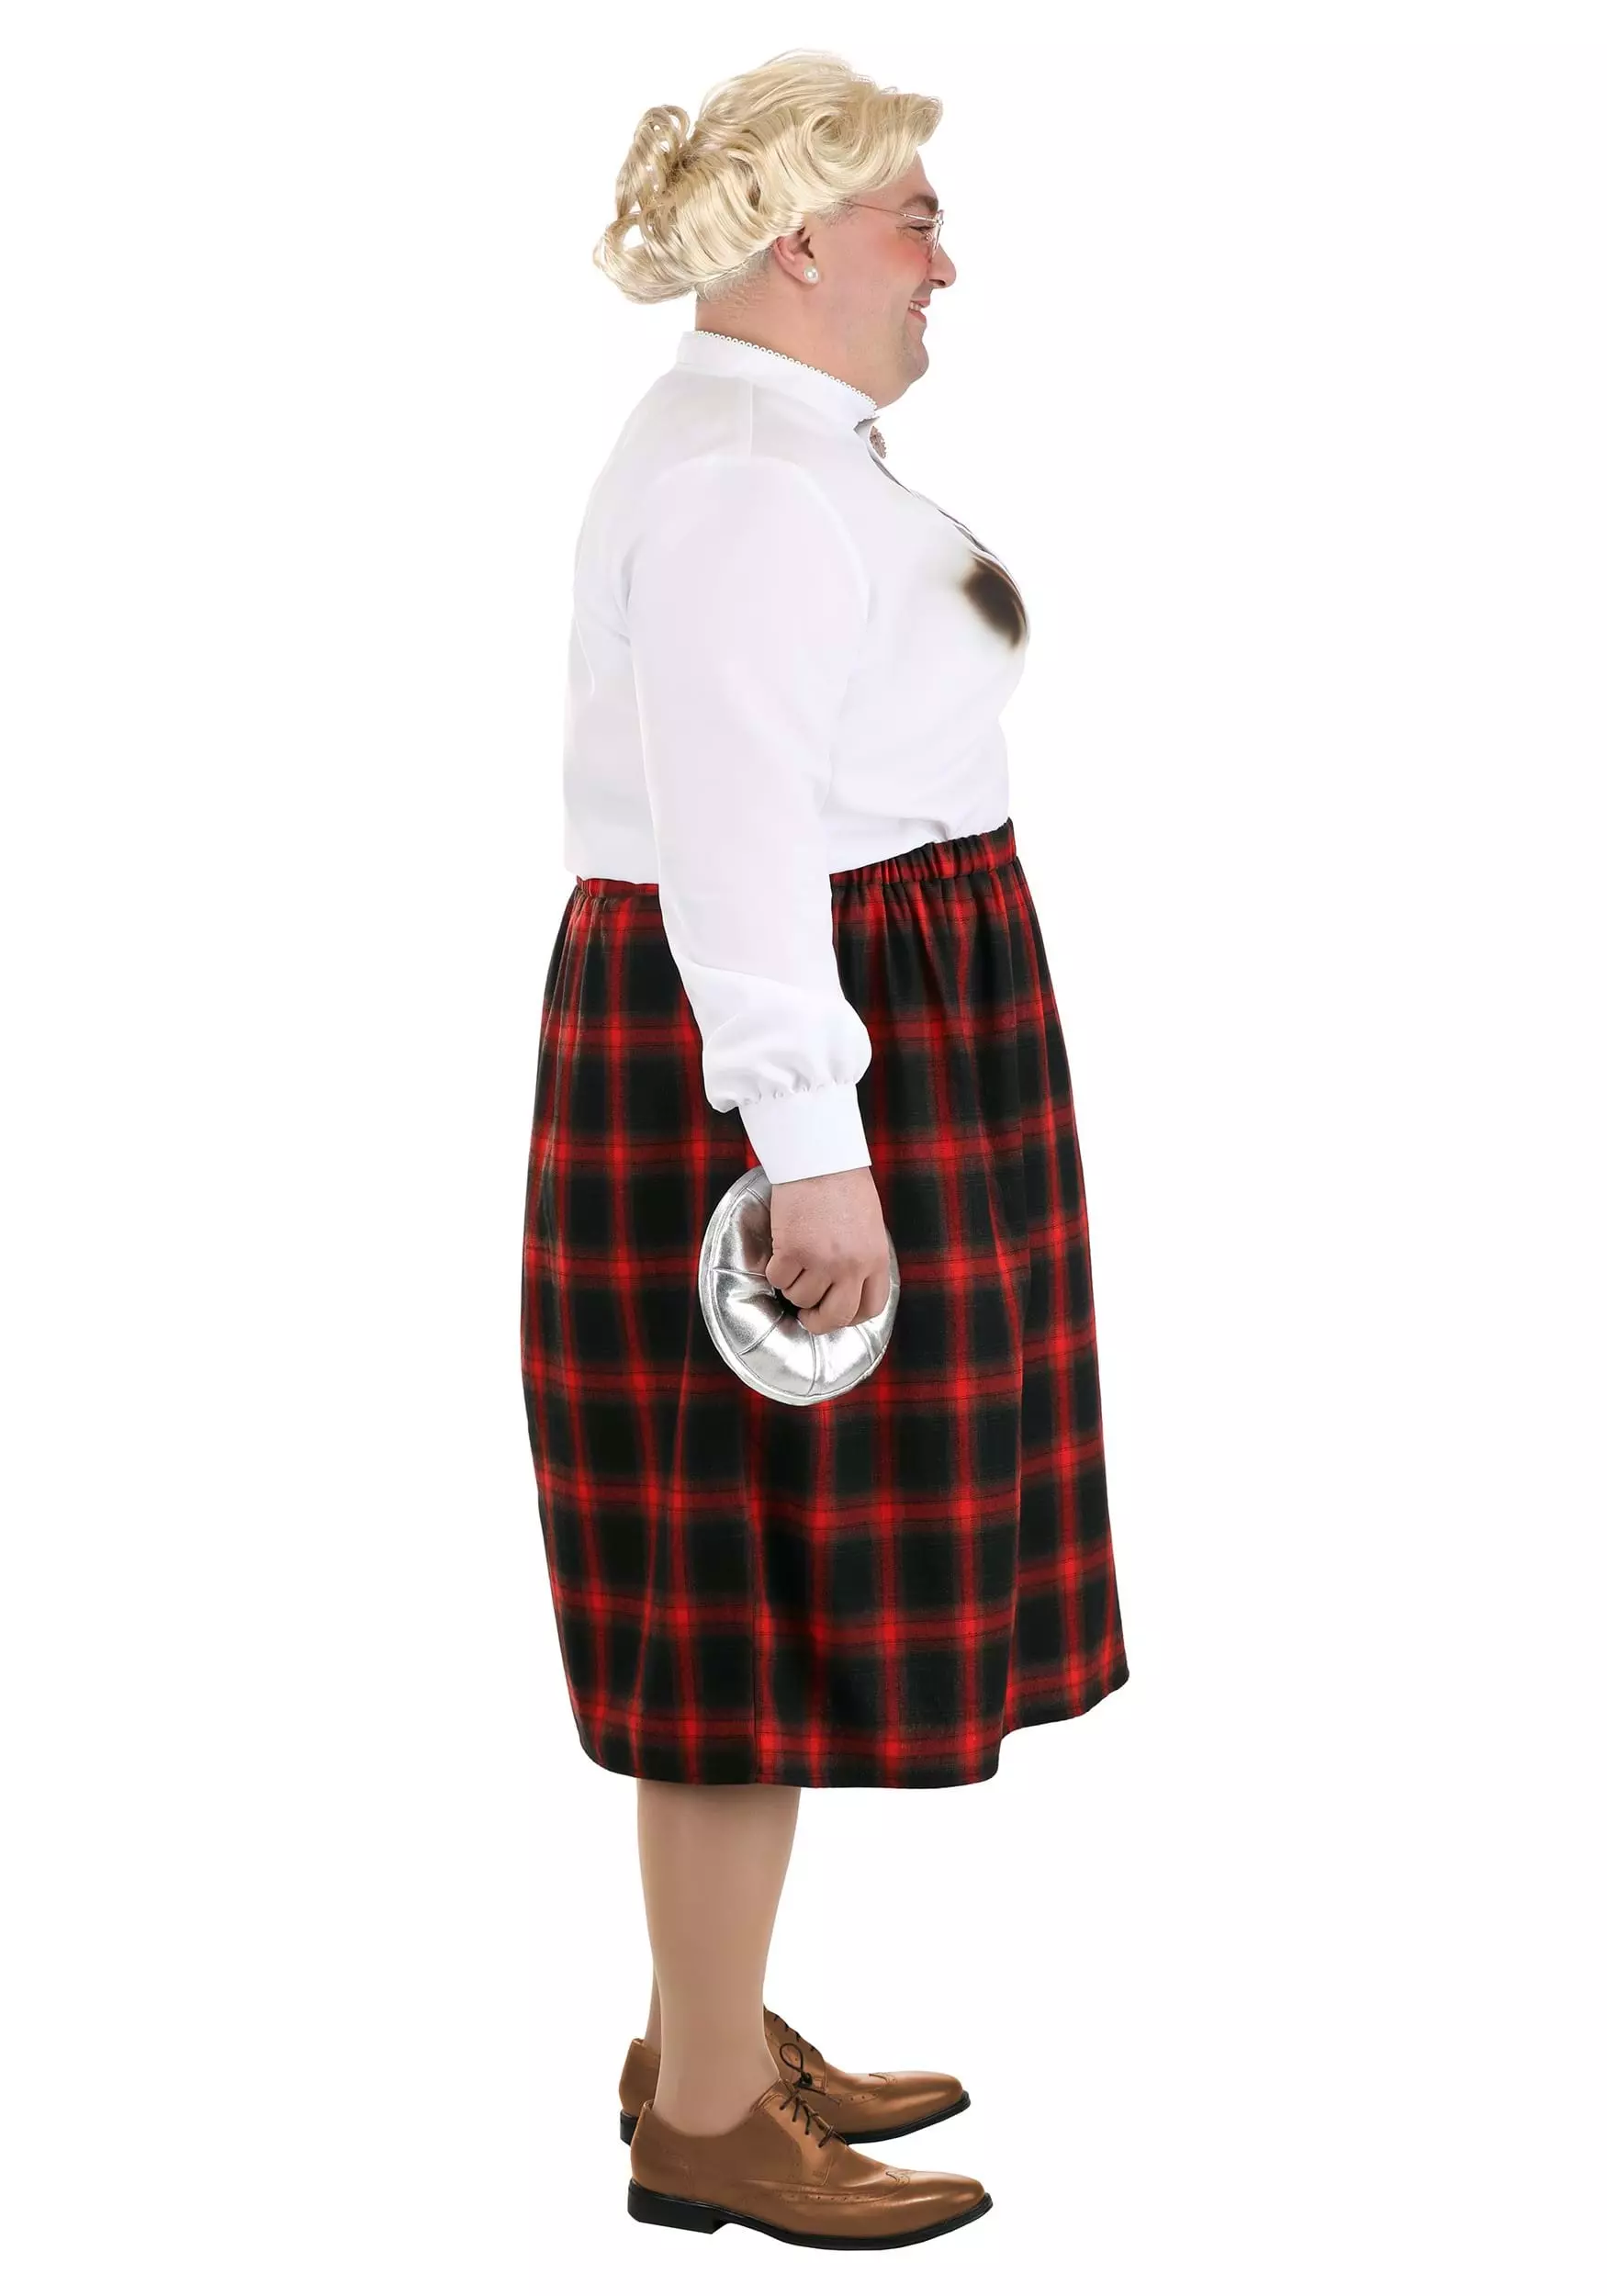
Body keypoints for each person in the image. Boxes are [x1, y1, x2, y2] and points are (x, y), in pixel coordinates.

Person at [520, 48, 1130, 2248]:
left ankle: (705, 2024)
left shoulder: (778, 449)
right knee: (731, 1592)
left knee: (761, 1565)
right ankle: (701, 2109)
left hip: (871, 1012)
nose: (940, 266)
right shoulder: (743, 490)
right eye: (911, 224)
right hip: (788, 1043)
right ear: (800, 243)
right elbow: (735, 841)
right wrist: (809, 1139)